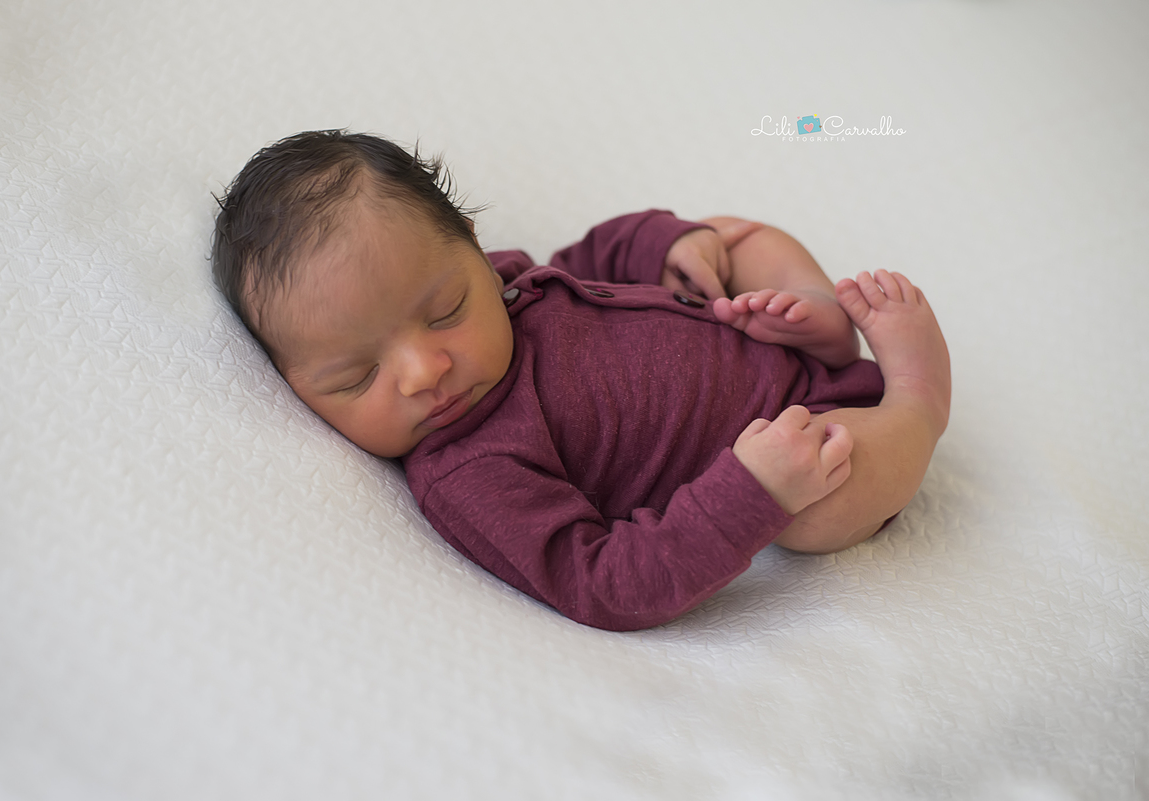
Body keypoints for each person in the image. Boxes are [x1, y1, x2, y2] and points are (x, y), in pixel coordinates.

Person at [212, 130, 951, 631]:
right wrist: (752, 494)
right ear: (293, 386)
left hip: (742, 326)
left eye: (445, 310)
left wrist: (666, 247)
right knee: (822, 506)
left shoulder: (507, 283)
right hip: (797, 449)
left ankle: (816, 319)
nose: (422, 372)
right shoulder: (472, 470)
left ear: (473, 244)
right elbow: (601, 582)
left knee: (733, 236)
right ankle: (916, 399)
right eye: (356, 375)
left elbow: (587, 252)